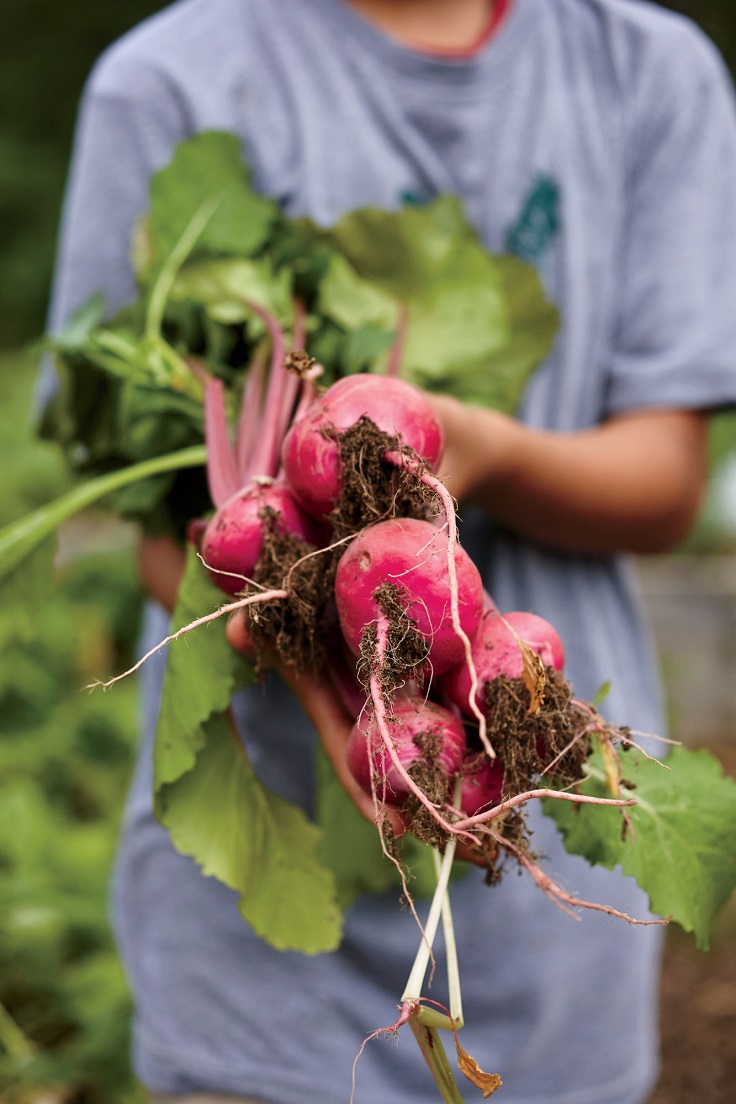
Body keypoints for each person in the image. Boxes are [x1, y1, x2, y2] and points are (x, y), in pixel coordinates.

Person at [45, 1, 736, 1101]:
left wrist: (488, 453)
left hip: (554, 938)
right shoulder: (168, 77)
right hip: (255, 982)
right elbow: (166, 544)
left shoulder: (646, 68)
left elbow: (667, 484)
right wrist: (322, 673)